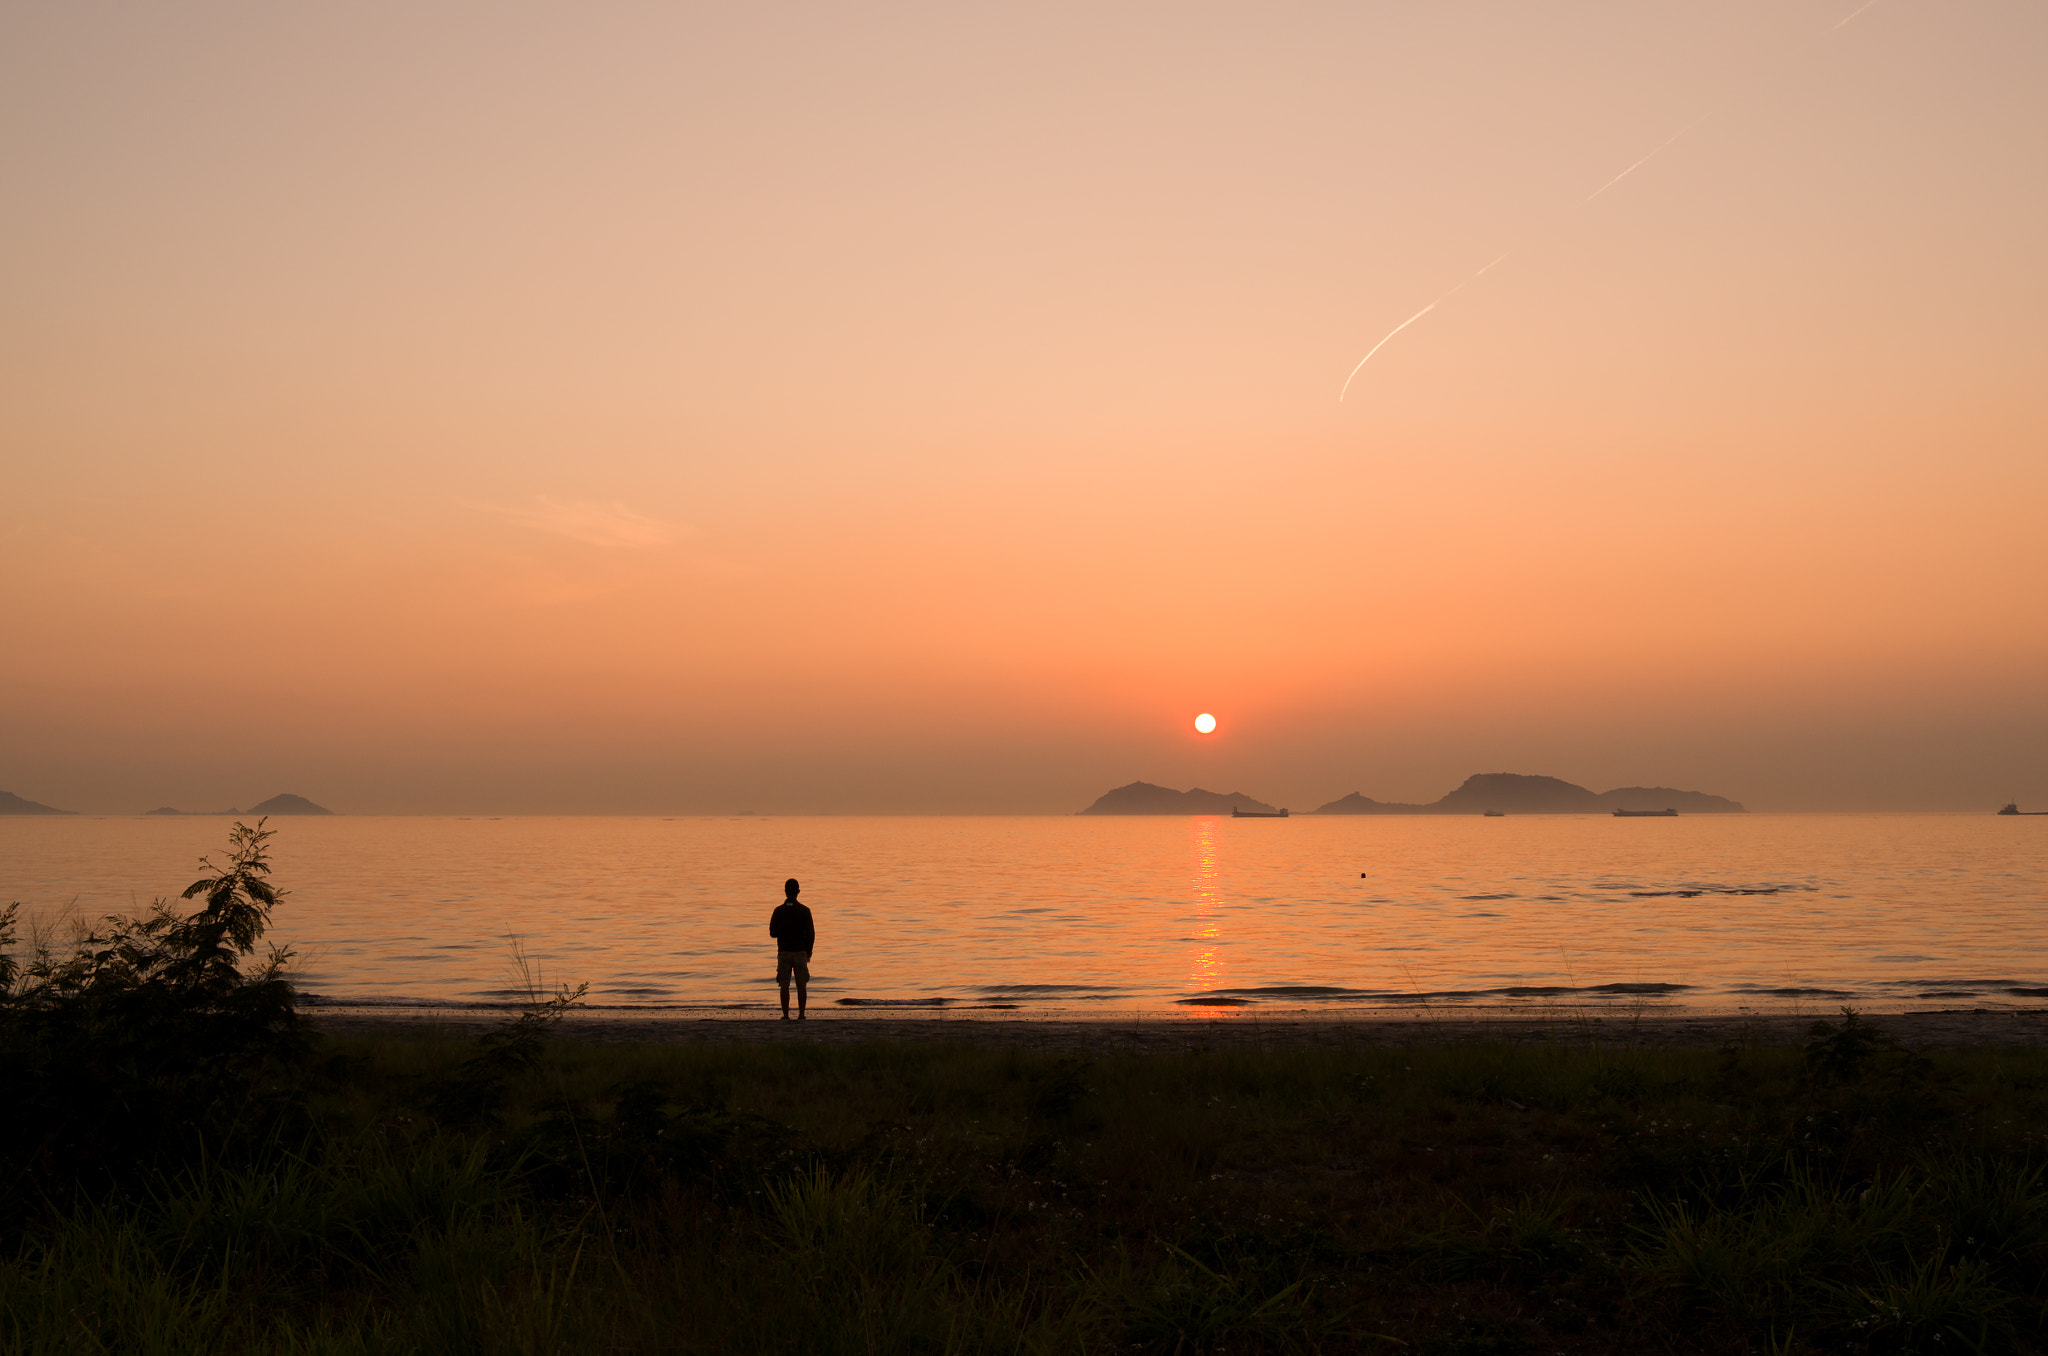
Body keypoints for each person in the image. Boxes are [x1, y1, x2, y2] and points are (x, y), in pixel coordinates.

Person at [768, 877, 816, 1020]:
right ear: (798, 892)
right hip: (800, 952)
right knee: (801, 985)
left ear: (785, 891)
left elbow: (772, 933)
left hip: (784, 952)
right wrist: (809, 951)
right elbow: (811, 933)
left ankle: (786, 1015)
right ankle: (801, 1014)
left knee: (784, 985)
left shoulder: (778, 911)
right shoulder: (805, 911)